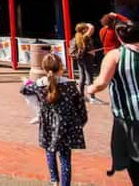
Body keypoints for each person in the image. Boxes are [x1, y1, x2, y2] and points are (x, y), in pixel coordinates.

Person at [21, 53, 87, 186]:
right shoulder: (70, 85)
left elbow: (24, 90)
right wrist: (81, 122)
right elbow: (80, 105)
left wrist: (27, 82)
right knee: (65, 157)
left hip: (47, 124)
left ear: (44, 69)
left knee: (50, 150)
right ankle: (65, 184)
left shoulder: (39, 85)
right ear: (61, 68)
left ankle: (54, 180)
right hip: (66, 124)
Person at [88, 19, 139, 184]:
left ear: (120, 37)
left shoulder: (116, 55)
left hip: (129, 114)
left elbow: (102, 82)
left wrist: (90, 89)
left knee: (132, 155)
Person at [70, 22, 103, 104]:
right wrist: (89, 53)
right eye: (87, 29)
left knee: (83, 78)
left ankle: (81, 95)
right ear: (84, 30)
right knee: (89, 78)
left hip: (83, 60)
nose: (90, 30)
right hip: (86, 60)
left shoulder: (79, 38)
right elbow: (79, 51)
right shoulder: (83, 38)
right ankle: (92, 97)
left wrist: (90, 52)